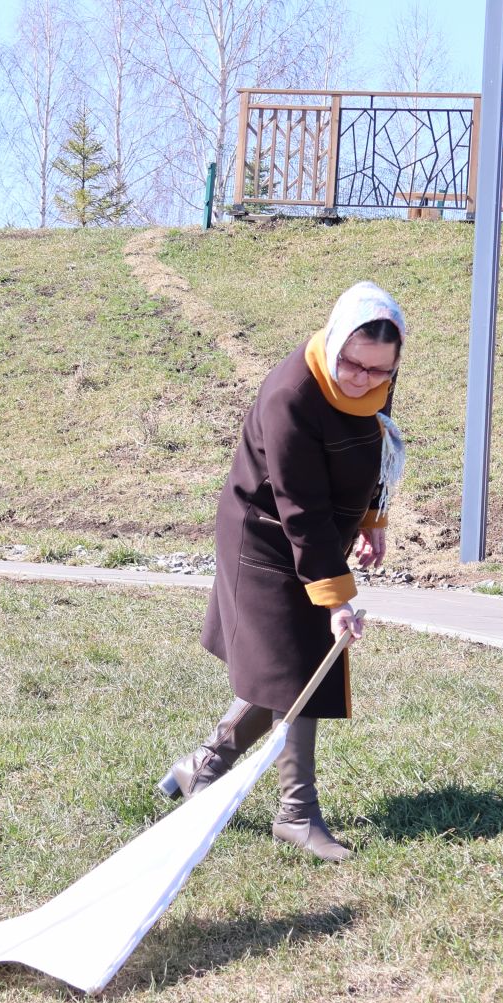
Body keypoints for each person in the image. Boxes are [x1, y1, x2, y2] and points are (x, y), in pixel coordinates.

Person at [158, 282, 407, 863]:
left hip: (316, 535)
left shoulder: (374, 383)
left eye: (379, 371)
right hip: (263, 538)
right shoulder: (291, 395)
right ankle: (296, 815)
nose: (362, 380)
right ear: (335, 337)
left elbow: (377, 447)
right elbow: (301, 509)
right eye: (352, 363)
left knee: (285, 669)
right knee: (296, 670)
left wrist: (375, 517)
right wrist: (338, 599)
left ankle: (205, 766)